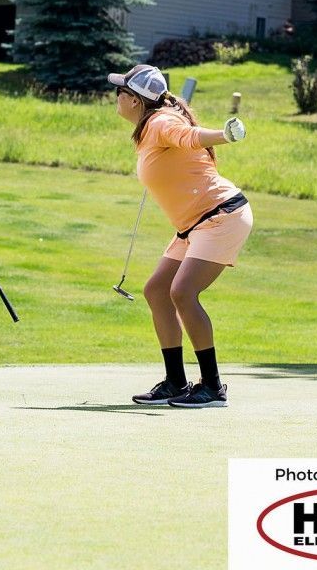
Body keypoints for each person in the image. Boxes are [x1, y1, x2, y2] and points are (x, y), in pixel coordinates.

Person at [110, 64, 251, 409]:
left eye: (121, 92)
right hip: (195, 225)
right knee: (157, 290)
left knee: (182, 292)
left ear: (136, 100)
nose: (115, 97)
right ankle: (175, 381)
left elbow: (189, 135)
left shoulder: (160, 122)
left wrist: (224, 135)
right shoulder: (149, 128)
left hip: (221, 216)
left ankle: (213, 386)